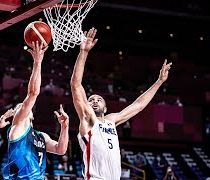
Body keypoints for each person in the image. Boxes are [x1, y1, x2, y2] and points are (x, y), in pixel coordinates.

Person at [70, 27, 172, 179]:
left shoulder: (111, 121)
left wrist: (159, 82)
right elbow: (76, 85)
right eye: (91, 100)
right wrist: (83, 52)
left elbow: (138, 106)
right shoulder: (88, 120)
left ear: (105, 108)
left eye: (99, 99)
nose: (95, 101)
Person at [2, 41, 69, 180]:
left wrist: (65, 127)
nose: (23, 106)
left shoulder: (41, 137)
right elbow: (32, 93)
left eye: (24, 106)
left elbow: (60, 150)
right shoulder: (18, 126)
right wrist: (37, 62)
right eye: (19, 107)